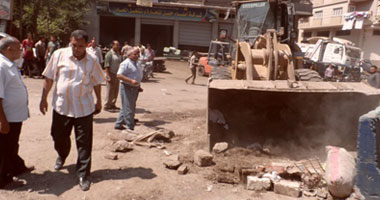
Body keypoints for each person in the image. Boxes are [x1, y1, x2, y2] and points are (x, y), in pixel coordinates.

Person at [39, 30, 105, 191]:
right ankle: (62, 154)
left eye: (81, 46)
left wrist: (99, 100)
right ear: (70, 41)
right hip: (62, 106)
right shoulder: (59, 55)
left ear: (87, 45)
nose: (77, 49)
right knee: (58, 135)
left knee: (84, 143)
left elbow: (97, 81)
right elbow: (49, 77)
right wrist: (43, 98)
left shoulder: (93, 59)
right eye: (74, 45)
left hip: (84, 108)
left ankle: (83, 174)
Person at [0, 36, 34, 188]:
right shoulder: (1, 66)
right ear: (9, 49)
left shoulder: (9, 64)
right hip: (7, 117)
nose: (22, 51)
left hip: (14, 116)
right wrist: (2, 120)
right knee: (4, 148)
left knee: (12, 144)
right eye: (19, 48)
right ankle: (3, 179)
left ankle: (16, 167)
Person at [114, 47, 142, 131]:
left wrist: (138, 86)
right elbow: (119, 75)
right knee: (129, 108)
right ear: (129, 55)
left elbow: (137, 74)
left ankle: (118, 123)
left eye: (138, 54)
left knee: (127, 106)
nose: (137, 55)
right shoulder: (125, 63)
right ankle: (130, 127)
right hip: (127, 87)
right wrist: (131, 81)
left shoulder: (136, 63)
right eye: (135, 54)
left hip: (135, 88)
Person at [104, 40, 121, 111]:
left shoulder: (117, 53)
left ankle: (112, 104)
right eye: (116, 45)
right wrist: (108, 76)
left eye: (118, 45)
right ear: (113, 45)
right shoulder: (109, 54)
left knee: (115, 90)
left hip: (117, 74)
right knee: (110, 90)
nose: (118, 46)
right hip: (111, 73)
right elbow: (106, 66)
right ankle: (107, 105)